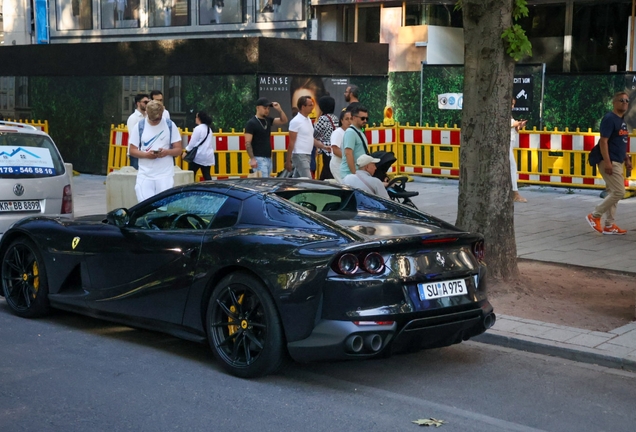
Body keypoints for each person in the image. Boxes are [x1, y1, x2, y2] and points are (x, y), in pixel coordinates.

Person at [586, 92, 632, 235]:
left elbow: (619, 143)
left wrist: (626, 159)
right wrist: (607, 162)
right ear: (614, 102)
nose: (624, 102)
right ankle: (594, 215)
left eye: (627, 100)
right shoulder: (609, 119)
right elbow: (604, 142)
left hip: (618, 160)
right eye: (621, 100)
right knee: (619, 191)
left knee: (613, 192)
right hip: (610, 161)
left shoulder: (622, 121)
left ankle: (609, 225)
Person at [128, 100, 182, 202]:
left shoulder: (170, 125)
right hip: (145, 174)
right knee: (145, 205)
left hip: (165, 175)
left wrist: (167, 152)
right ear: (147, 113)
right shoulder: (139, 126)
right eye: (153, 120)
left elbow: (178, 149)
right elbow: (132, 150)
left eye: (158, 119)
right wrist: (146, 155)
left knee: (163, 207)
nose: (156, 121)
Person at [245, 97, 288, 178]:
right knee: (263, 184)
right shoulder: (251, 123)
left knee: (266, 182)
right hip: (258, 158)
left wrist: (279, 110)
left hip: (268, 157)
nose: (267, 110)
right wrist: (252, 159)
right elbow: (247, 143)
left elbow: (284, 120)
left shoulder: (267, 120)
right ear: (258, 108)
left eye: (268, 108)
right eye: (265, 108)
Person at [286, 96, 324, 178]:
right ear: (303, 107)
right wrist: (288, 160)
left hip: (307, 154)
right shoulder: (296, 121)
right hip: (299, 154)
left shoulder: (308, 120)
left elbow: (311, 138)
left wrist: (323, 146)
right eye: (310, 105)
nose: (312, 107)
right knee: (307, 181)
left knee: (297, 181)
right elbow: (291, 142)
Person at [184, 111, 215, 181]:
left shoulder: (198, 129)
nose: (195, 119)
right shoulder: (209, 129)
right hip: (208, 156)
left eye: (196, 117)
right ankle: (210, 189)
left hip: (198, 156)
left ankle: (191, 189)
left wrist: (186, 151)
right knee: (207, 176)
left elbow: (192, 143)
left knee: (191, 174)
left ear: (199, 118)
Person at [340, 105, 369, 179]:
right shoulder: (351, 132)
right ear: (354, 118)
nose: (365, 121)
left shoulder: (359, 131)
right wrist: (354, 174)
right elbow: (348, 153)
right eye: (362, 118)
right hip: (350, 174)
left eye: (366, 118)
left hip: (356, 173)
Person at [313, 96, 339, 180]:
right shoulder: (335, 117)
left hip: (326, 148)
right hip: (334, 147)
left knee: (327, 170)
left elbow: (315, 133)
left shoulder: (323, 118)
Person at [126, 93, 150, 170]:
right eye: (145, 102)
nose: (147, 104)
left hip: (146, 151)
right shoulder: (133, 118)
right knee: (135, 176)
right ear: (138, 103)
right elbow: (134, 136)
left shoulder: (148, 117)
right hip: (136, 152)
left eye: (148, 102)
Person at [510, 99, 527, 203]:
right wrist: (518, 123)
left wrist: (518, 126)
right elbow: (509, 124)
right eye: (511, 104)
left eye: (513, 104)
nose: (512, 106)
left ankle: (513, 191)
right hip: (505, 142)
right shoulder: (502, 113)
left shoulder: (510, 115)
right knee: (512, 166)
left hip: (510, 141)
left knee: (511, 166)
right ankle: (514, 192)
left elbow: (513, 127)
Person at [329, 109, 352, 183]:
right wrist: (348, 158)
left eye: (351, 119)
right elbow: (335, 150)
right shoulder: (338, 133)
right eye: (346, 119)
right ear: (342, 121)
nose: (349, 121)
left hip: (347, 164)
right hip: (338, 164)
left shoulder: (351, 132)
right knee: (345, 184)